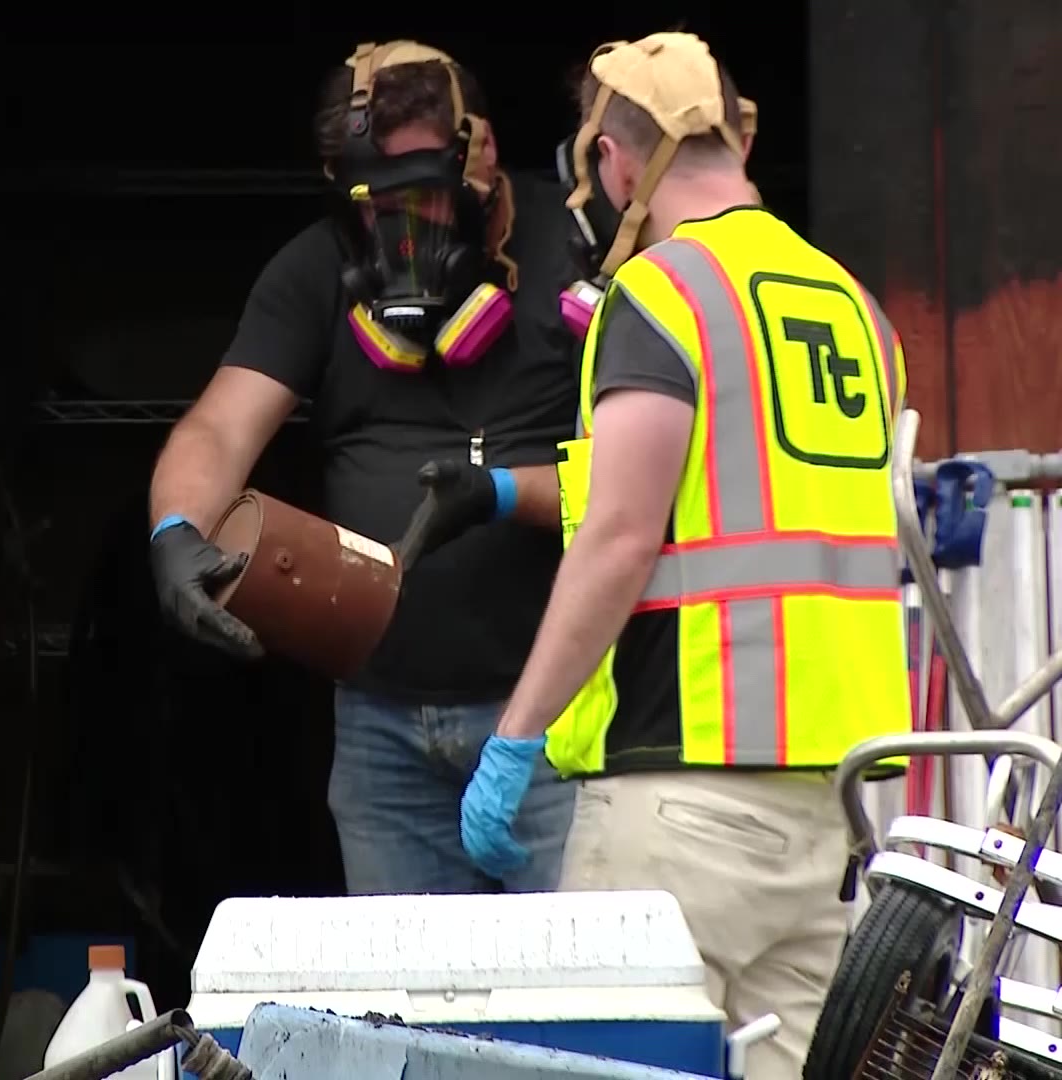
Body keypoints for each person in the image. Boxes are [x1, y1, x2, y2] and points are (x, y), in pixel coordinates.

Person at [456, 33, 909, 1078]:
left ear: (615, 160)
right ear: (738, 138)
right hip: (829, 812)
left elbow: (621, 538)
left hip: (680, 802)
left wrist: (515, 739)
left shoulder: (661, 297)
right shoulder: (856, 308)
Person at [146, 41, 578, 895]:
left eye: (423, 194)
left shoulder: (578, 247)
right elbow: (220, 428)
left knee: (580, 1009)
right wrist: (175, 534)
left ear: (479, 151)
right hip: (383, 734)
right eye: (375, 203)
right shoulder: (316, 269)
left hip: (554, 725)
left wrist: (503, 495)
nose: (400, 230)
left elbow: (647, 483)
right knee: (405, 1014)